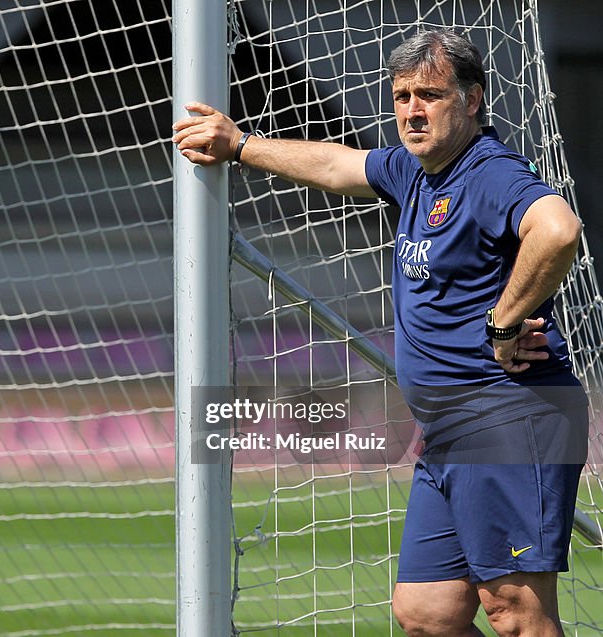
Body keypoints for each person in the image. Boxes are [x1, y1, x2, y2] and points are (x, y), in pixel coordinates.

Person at [172, 28, 588, 637]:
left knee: (517, 616)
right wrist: (240, 146)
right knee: (426, 615)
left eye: (430, 95)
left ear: (471, 101)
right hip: (449, 430)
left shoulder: (487, 172)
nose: (412, 110)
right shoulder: (415, 172)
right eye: (401, 96)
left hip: (506, 418)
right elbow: (337, 165)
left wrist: (500, 325)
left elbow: (558, 231)